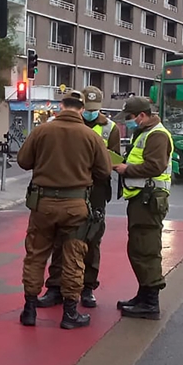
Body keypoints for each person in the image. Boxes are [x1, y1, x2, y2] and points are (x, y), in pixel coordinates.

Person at [16, 93, 111, 329]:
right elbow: (105, 171)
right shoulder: (91, 136)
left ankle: (29, 310)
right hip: (75, 207)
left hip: (43, 205)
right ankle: (70, 314)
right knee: (74, 258)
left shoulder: (41, 132)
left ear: (62, 106)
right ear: (82, 109)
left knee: (36, 256)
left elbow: (23, 161)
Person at [35, 86, 121, 310]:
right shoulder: (68, 124)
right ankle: (55, 287)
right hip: (72, 191)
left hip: (96, 192)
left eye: (94, 109)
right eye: (87, 109)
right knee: (61, 240)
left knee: (91, 241)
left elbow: (113, 161)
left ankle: (87, 288)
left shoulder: (110, 128)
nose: (89, 113)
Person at [112, 97, 173, 320]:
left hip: (149, 199)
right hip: (142, 198)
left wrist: (126, 169)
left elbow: (154, 166)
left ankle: (150, 302)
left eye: (129, 118)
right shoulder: (145, 132)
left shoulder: (157, 134)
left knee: (146, 248)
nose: (128, 122)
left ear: (142, 115)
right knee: (138, 247)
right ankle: (143, 294)